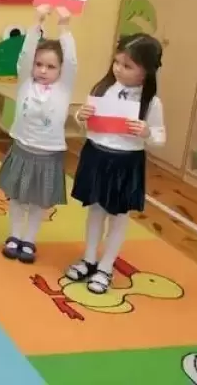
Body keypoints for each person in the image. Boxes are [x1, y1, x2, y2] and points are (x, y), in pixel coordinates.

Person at [65, 34, 164, 295]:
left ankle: (106, 266)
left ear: (146, 71)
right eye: (117, 62)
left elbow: (160, 137)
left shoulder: (151, 102)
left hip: (125, 163)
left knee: (118, 217)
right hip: (97, 155)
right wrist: (80, 115)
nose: (118, 69)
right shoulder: (102, 89)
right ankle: (89, 258)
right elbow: (86, 124)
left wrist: (147, 132)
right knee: (95, 211)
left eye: (127, 66)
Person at [0, 5, 76, 263]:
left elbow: (71, 61)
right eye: (39, 65)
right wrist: (36, 23)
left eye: (50, 66)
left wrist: (64, 27)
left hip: (48, 154)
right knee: (18, 198)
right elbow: (25, 55)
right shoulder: (25, 83)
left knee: (38, 202)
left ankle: (29, 239)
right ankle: (14, 235)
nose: (43, 70)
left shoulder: (63, 88)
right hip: (22, 149)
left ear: (61, 70)